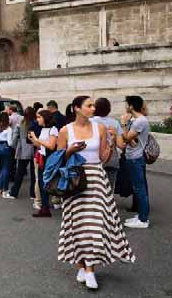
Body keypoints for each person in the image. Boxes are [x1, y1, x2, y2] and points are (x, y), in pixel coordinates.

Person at [57, 95, 135, 290]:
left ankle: (90, 270)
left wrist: (109, 143)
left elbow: (102, 158)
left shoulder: (98, 128)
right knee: (76, 225)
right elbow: (58, 160)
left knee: (94, 226)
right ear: (77, 108)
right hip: (75, 180)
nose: (93, 109)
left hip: (97, 179)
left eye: (93, 105)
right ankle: (81, 265)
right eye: (89, 105)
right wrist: (70, 151)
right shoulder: (65, 131)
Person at [120, 95, 151, 229]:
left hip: (136, 158)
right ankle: (140, 216)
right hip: (133, 156)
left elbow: (126, 138)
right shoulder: (137, 120)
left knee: (140, 189)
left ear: (131, 106)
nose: (126, 106)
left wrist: (123, 124)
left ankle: (143, 219)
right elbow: (132, 142)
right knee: (137, 188)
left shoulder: (140, 121)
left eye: (127, 104)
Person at [28, 109, 58, 217]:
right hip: (42, 157)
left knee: (47, 183)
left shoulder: (53, 129)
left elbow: (51, 145)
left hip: (49, 159)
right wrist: (32, 139)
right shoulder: (43, 129)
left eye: (39, 117)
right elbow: (40, 145)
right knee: (41, 183)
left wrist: (36, 138)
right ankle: (44, 208)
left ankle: (47, 207)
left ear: (45, 118)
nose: (37, 120)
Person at [90, 98, 125, 189]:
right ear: (108, 109)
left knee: (97, 190)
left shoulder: (90, 122)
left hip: (96, 159)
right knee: (110, 189)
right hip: (112, 159)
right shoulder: (115, 123)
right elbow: (120, 145)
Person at [8, 107, 37, 200]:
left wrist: (13, 146)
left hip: (23, 150)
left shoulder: (20, 125)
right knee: (34, 174)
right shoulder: (36, 125)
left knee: (19, 172)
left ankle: (14, 193)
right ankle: (33, 194)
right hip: (34, 149)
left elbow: (15, 138)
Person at [0, 112, 14, 198]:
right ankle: (4, 190)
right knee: (6, 170)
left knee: (2, 169)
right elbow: (10, 143)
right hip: (6, 149)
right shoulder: (9, 129)